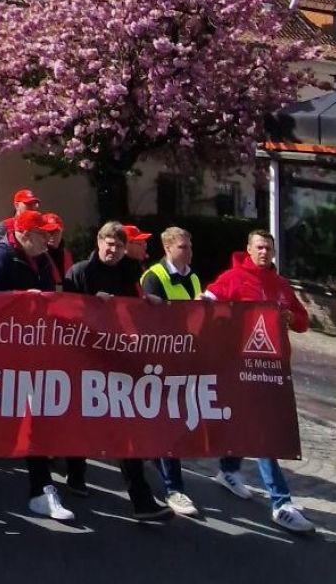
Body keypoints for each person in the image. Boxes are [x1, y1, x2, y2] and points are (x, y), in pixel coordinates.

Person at [202, 229, 315, 533]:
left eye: (269, 248)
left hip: (273, 369)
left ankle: (227, 469)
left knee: (247, 423)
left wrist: (293, 319)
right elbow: (206, 302)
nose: (265, 253)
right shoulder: (233, 279)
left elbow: (303, 320)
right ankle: (281, 502)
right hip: (242, 365)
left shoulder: (279, 285)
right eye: (260, 247)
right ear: (248, 249)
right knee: (265, 432)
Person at [62, 221, 174, 521]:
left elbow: (134, 302)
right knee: (81, 419)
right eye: (109, 243)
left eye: (119, 246)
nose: (113, 250)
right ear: (99, 242)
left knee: (126, 426)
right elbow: (64, 313)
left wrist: (146, 302)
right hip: (84, 360)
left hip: (118, 360)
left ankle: (141, 499)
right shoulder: (81, 272)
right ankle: (75, 473)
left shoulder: (128, 270)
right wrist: (91, 306)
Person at [0, 210, 78, 521]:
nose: (47, 239)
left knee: (37, 417)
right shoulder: (1, 258)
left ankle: (41, 490)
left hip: (33, 351)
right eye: (40, 233)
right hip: (0, 354)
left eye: (48, 233)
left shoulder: (44, 261)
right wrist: (22, 298)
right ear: (22, 234)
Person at [138, 226, 202, 518]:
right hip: (158, 361)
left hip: (183, 358)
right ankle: (173, 487)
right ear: (167, 249)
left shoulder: (193, 277)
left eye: (189, 246)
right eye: (182, 247)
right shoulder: (153, 277)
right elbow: (151, 321)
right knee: (167, 421)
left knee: (165, 421)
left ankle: (151, 458)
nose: (188, 251)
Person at [44, 212, 74, 286]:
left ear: (61, 232)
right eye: (49, 232)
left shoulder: (66, 254)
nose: (52, 236)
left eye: (56, 231)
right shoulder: (38, 256)